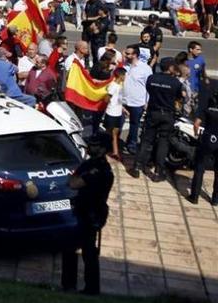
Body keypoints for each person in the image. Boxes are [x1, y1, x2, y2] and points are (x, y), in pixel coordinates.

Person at [61, 133, 114, 295]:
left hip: (91, 214)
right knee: (78, 250)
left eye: (95, 145)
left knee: (86, 253)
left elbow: (73, 183)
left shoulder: (98, 169)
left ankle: (85, 288)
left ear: (103, 149)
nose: (90, 147)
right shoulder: (91, 165)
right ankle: (77, 287)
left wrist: (77, 177)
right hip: (85, 211)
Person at [129, 58, 184, 182]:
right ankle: (158, 172)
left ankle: (136, 167)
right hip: (167, 114)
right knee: (163, 142)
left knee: (146, 140)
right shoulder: (175, 82)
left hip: (153, 112)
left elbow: (149, 90)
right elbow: (179, 97)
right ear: (170, 68)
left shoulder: (152, 78)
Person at [188, 79, 218, 205]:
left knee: (200, 167)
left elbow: (197, 123)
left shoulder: (208, 109)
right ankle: (215, 199)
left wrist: (196, 134)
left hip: (207, 138)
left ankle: (194, 196)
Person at [121, 45, 151, 155]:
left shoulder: (145, 68)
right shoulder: (123, 66)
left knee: (134, 124)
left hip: (138, 102)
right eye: (126, 53)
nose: (126, 55)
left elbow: (149, 86)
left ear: (135, 55)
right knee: (118, 124)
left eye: (129, 54)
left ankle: (131, 144)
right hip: (123, 101)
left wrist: (147, 101)